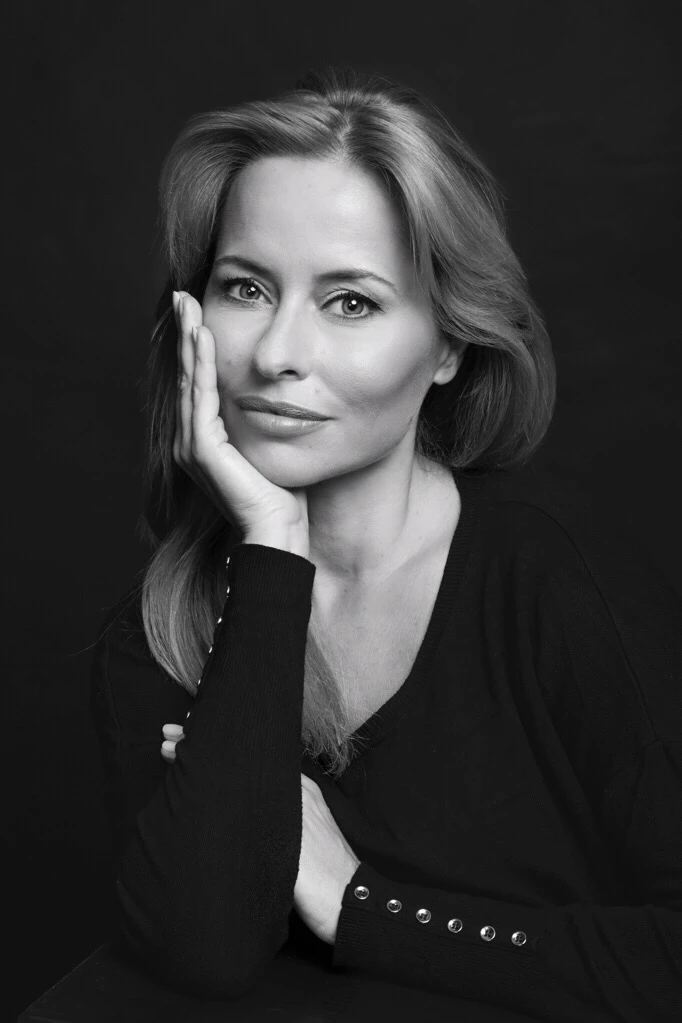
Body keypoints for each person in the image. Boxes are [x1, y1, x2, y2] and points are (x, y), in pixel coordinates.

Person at [90, 66, 682, 1021]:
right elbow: (205, 951)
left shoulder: (560, 584)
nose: (279, 351)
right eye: (246, 286)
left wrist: (357, 902)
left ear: (449, 343)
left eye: (351, 301)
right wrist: (274, 544)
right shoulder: (159, 630)